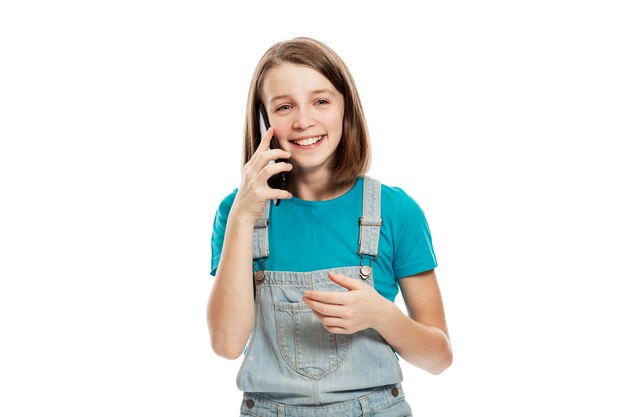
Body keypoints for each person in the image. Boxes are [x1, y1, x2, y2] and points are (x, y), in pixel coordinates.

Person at [207, 37, 452, 417]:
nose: (303, 120)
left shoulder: (396, 211)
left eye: (321, 101)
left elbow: (439, 358)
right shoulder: (238, 213)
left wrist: (381, 316)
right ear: (264, 120)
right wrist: (242, 215)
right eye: (284, 106)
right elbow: (225, 343)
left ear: (346, 109)